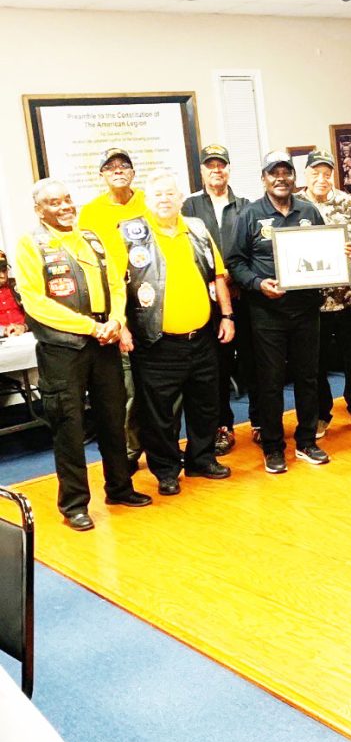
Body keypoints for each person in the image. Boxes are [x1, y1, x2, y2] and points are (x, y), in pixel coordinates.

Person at [13, 179, 151, 530]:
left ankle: (120, 487)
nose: (64, 207)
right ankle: (74, 504)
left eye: (67, 199)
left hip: (104, 345)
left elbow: (117, 284)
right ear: (39, 210)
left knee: (113, 419)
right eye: (54, 203)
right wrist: (91, 327)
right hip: (63, 351)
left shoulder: (92, 238)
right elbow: (35, 302)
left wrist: (117, 321)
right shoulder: (31, 244)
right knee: (69, 427)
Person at [119, 169, 235, 495]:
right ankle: (167, 470)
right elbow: (115, 283)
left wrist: (227, 316)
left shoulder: (196, 229)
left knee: (206, 405)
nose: (165, 199)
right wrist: (121, 325)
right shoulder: (130, 234)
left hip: (202, 337)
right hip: (156, 342)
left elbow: (218, 276)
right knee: (159, 414)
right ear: (147, 200)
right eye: (158, 194)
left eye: (171, 193)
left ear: (181, 198)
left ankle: (201, 459)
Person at [227, 151, 330, 474]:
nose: (281, 178)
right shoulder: (250, 215)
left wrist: (337, 254)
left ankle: (306, 441)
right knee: (270, 381)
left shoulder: (309, 211)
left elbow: (324, 252)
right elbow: (235, 261)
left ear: (294, 177)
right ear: (264, 179)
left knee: (308, 377)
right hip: (266, 312)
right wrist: (257, 284)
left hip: (305, 309)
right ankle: (273, 446)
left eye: (286, 172)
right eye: (274, 173)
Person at [181, 144, 257, 456]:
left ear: (228, 169)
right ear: (201, 170)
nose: (216, 170)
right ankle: (223, 426)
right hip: (210, 303)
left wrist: (237, 279)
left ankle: (260, 421)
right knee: (218, 368)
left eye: (221, 165)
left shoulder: (246, 206)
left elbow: (254, 249)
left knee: (253, 362)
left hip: (245, 297)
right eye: (210, 165)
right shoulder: (188, 207)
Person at [79, 147, 151, 473]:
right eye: (110, 167)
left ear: (133, 172)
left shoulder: (149, 202)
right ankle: (129, 452)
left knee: (156, 383)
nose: (118, 170)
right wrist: (118, 320)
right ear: (102, 175)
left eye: (124, 165)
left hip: (153, 301)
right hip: (116, 306)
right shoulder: (91, 213)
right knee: (126, 388)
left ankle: (161, 448)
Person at [298, 147, 351, 438]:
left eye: (327, 173)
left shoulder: (350, 204)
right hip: (312, 301)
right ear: (306, 174)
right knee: (315, 362)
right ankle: (321, 413)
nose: (322, 178)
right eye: (316, 173)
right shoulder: (295, 206)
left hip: (349, 297)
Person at [0, 249, 27, 337]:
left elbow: (37, 313)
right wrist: (3, 331)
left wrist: (25, 327)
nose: (2, 275)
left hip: (26, 334)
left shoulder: (19, 285)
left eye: (4, 270)